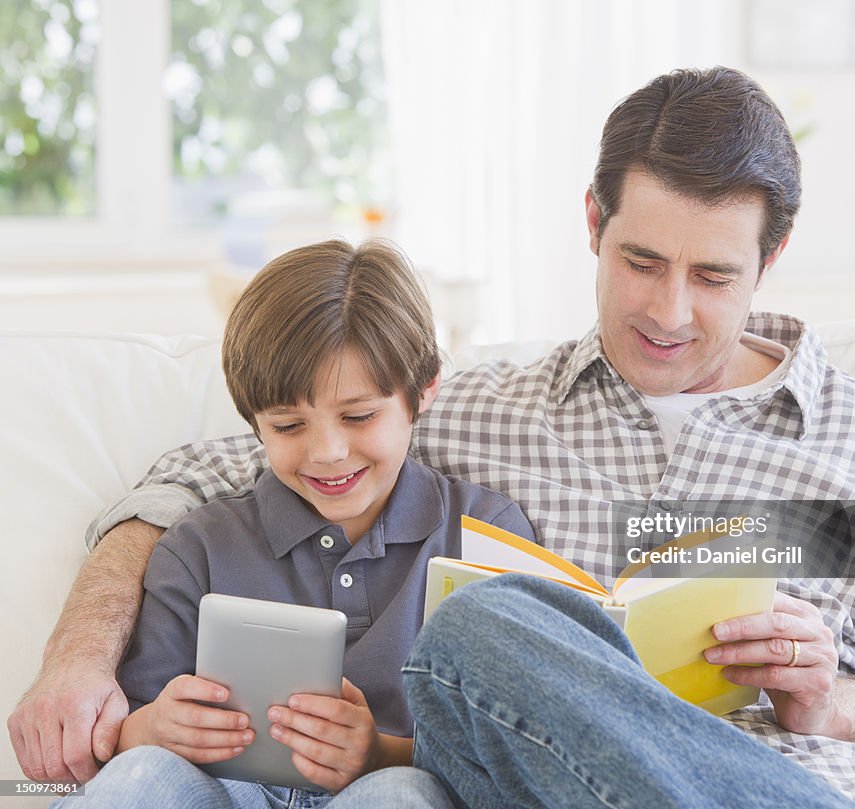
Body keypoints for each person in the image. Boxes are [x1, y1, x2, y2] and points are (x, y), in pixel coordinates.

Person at [10, 66, 855, 808]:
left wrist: (833, 702)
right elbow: (214, 469)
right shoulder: (478, 411)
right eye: (639, 259)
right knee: (484, 629)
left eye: (713, 275)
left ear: (773, 256)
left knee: (485, 628)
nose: (669, 308)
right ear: (591, 221)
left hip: (798, 779)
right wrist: (79, 653)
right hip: (555, 790)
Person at [49, 238, 532, 808]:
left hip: (394, 784)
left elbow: (509, 745)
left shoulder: (484, 531)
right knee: (143, 777)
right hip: (230, 788)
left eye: (358, 416)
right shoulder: (198, 546)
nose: (327, 452)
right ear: (254, 423)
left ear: (423, 389)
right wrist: (149, 729)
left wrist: (380, 753)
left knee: (400, 796)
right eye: (287, 426)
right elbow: (118, 736)